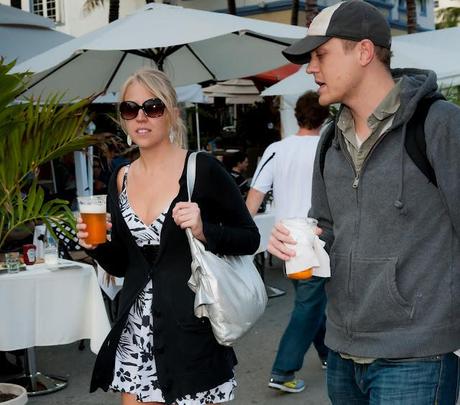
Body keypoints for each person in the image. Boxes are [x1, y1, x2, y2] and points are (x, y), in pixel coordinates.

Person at [268, 1, 460, 404]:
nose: (310, 69)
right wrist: (299, 245)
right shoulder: (328, 141)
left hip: (417, 357)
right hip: (341, 355)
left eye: (321, 54)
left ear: (364, 52)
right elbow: (326, 229)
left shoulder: (439, 124)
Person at [77, 68, 260, 405]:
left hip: (191, 332)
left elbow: (250, 238)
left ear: (173, 113)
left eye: (153, 107)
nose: (141, 117)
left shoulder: (201, 169)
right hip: (135, 330)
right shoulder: (121, 177)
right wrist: (97, 246)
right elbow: (123, 266)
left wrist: (205, 231)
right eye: (130, 109)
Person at [246, 91, 330, 394]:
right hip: (316, 238)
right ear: (326, 116)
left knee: (312, 300)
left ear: (298, 116)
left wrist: (241, 236)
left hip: (285, 239)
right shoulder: (329, 146)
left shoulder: (276, 149)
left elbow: (255, 196)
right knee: (309, 303)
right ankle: (283, 370)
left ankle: (326, 354)